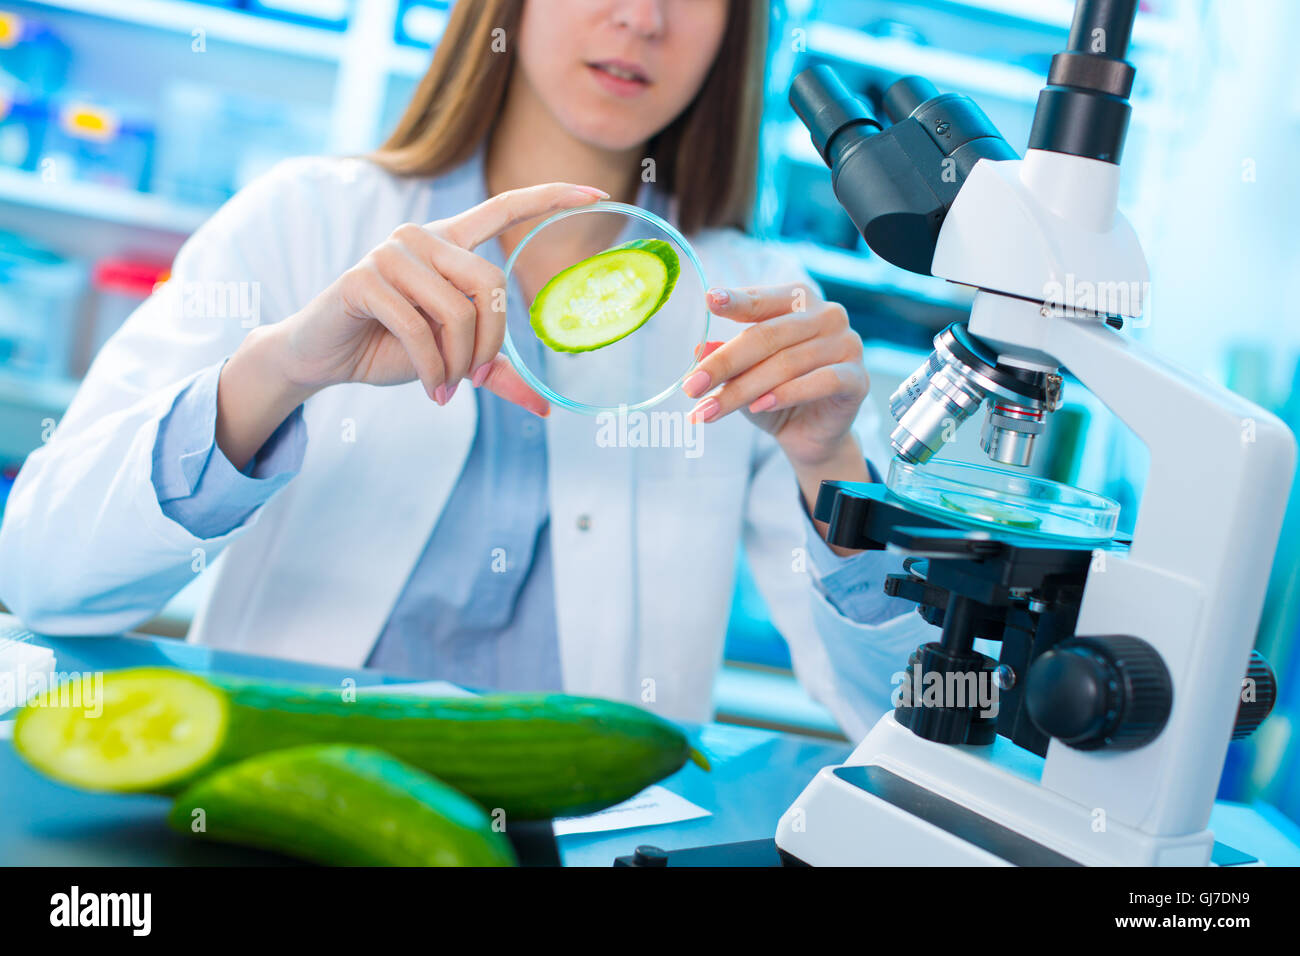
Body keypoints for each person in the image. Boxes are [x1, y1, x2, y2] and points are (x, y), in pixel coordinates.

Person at [0, 0, 924, 740]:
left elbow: (902, 717)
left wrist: (830, 465)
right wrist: (279, 372)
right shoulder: (308, 221)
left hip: (597, 842)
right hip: (284, 808)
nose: (644, 17)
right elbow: (41, 577)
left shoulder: (757, 301)